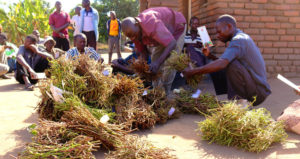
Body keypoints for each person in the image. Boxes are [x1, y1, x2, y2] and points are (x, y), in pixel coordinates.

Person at [182, 14, 271, 106]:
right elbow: (221, 62)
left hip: (257, 93)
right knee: (218, 66)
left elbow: (222, 63)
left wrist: (192, 72)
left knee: (226, 64)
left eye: (219, 32)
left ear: (229, 26)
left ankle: (241, 102)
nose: (217, 36)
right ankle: (237, 100)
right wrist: (209, 55)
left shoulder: (239, 39)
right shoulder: (239, 38)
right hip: (254, 88)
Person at [121, 7, 186, 96]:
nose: (133, 39)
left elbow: (172, 43)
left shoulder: (151, 22)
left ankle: (165, 95)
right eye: (130, 37)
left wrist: (158, 63)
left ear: (137, 24)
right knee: (154, 61)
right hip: (163, 34)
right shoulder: (134, 32)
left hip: (177, 28)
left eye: (134, 36)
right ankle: (156, 93)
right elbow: (143, 52)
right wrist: (142, 68)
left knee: (170, 63)